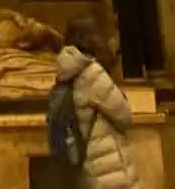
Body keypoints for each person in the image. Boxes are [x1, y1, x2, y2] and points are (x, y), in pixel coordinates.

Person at [54, 14, 142, 189]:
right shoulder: (92, 73)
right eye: (97, 34)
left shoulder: (67, 71)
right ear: (86, 39)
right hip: (109, 169)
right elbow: (125, 117)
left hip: (90, 165)